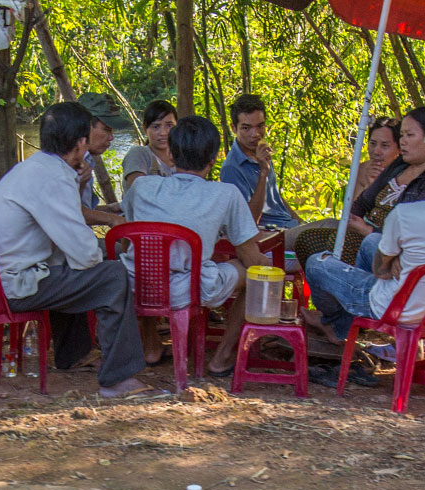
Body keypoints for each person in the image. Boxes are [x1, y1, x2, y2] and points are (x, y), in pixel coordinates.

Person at [0, 102, 156, 398]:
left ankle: (74, 355)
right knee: (112, 275)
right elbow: (83, 252)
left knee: (71, 270)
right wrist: (101, 258)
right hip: (8, 287)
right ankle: (118, 379)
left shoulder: (36, 166)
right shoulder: (54, 177)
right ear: (81, 142)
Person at [302, 112, 425, 347]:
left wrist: (393, 260)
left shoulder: (408, 214)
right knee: (369, 243)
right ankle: (352, 327)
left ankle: (335, 324)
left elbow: (379, 268)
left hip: (400, 307)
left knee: (318, 263)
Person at [121, 116, 270, 376]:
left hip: (135, 284)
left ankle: (151, 345)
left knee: (146, 263)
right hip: (185, 290)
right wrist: (269, 268)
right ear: (212, 160)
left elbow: (128, 240)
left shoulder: (142, 187)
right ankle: (222, 357)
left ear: (171, 153)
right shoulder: (225, 193)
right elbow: (249, 256)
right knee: (256, 274)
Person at [294, 107, 425, 269]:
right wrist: (354, 219)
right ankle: (333, 287)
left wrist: (369, 230)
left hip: (387, 245)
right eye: (402, 135)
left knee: (343, 243)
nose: (403, 141)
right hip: (364, 232)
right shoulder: (399, 166)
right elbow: (362, 202)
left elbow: (409, 232)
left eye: (409, 135)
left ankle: (353, 289)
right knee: (308, 239)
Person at [219, 94, 336, 254]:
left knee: (342, 229)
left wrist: (299, 221)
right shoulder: (231, 168)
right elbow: (247, 223)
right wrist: (263, 173)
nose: (255, 134)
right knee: (332, 227)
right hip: (269, 237)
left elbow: (275, 197)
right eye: (246, 128)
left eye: (260, 126)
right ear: (234, 128)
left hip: (288, 227)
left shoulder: (260, 152)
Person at [77, 92, 128, 228]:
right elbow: (72, 213)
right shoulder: (71, 161)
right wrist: (112, 219)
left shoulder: (87, 159)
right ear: (86, 125)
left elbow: (83, 209)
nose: (111, 137)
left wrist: (111, 209)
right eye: (106, 129)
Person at [122, 100, 177, 189]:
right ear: (145, 129)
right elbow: (138, 193)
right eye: (156, 127)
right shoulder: (139, 154)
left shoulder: (182, 159)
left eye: (169, 125)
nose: (163, 133)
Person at [353, 117, 401, 199]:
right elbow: (351, 209)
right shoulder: (362, 170)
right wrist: (369, 186)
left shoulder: (407, 173)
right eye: (373, 144)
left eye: (384, 145)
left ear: (399, 148)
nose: (376, 152)